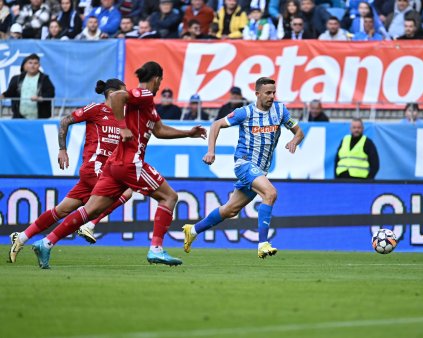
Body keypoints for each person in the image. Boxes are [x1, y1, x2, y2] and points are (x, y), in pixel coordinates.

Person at [30, 61, 207, 269]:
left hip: (114, 165)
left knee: (90, 210)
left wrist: (188, 133)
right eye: (160, 80)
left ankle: (46, 242)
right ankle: (156, 249)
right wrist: (122, 127)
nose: (160, 85)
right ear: (157, 78)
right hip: (131, 163)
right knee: (170, 197)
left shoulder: (147, 106)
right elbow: (115, 96)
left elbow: (159, 130)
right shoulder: (144, 94)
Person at [8, 79, 134, 264]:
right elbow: (66, 120)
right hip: (95, 167)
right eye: (124, 93)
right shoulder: (96, 109)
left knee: (62, 210)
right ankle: (89, 225)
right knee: (127, 190)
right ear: (112, 93)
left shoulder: (123, 117)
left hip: (106, 171)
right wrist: (62, 149)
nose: (127, 97)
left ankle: (21, 238)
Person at [182, 77, 303, 258]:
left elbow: (299, 132)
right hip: (244, 164)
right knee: (270, 193)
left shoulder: (280, 110)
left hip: (260, 170)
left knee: (230, 210)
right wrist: (211, 151)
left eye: (273, 92)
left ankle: (193, 230)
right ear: (257, 94)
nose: (272, 96)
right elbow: (216, 125)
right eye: (268, 93)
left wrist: (294, 140)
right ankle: (263, 244)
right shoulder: (244, 112)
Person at [1, 54, 55, 119]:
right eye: (30, 63)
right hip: (20, 118)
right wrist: (3, 95)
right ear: (25, 65)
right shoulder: (17, 79)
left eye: (35, 63)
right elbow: (10, 92)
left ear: (39, 65)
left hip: (40, 118)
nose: (33, 66)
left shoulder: (44, 79)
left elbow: (51, 93)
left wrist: (40, 98)